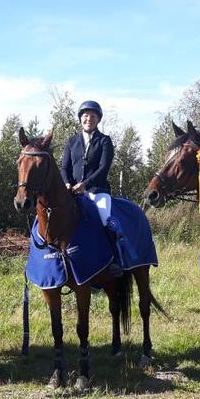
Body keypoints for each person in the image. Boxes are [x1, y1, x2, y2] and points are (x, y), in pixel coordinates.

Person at [59, 100, 136, 272]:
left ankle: (113, 260)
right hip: (72, 192)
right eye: (85, 116)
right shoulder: (72, 141)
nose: (89, 119)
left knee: (104, 218)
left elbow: (103, 168)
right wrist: (66, 182)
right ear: (80, 119)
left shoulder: (104, 141)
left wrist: (85, 185)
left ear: (98, 120)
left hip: (97, 191)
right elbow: (64, 167)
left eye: (93, 116)